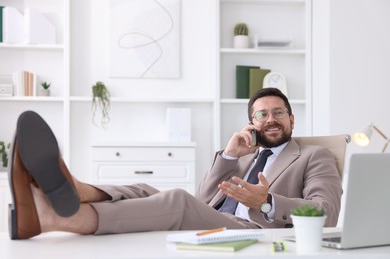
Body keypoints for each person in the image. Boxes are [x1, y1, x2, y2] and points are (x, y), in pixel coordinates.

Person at [9, 88, 342, 240]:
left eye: (278, 113)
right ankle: (76, 190)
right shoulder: (246, 155)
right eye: (262, 114)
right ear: (252, 123)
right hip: (218, 215)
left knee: (177, 201)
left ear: (292, 119)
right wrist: (228, 156)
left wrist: (267, 202)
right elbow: (205, 197)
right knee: (142, 188)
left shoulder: (314, 156)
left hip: (255, 229)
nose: (271, 119)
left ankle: (51, 218)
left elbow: (326, 212)